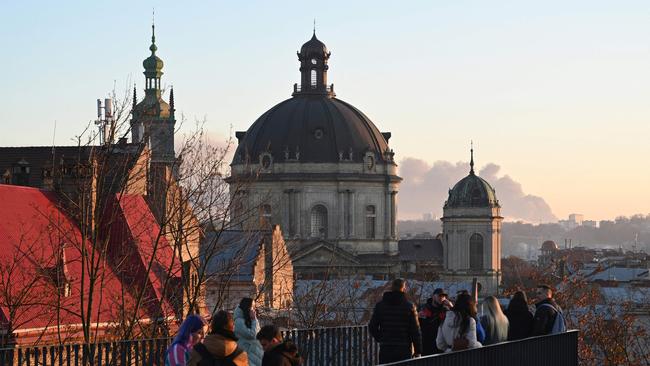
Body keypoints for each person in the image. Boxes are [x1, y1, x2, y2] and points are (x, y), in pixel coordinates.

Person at [368, 278, 422, 363]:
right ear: (404, 288)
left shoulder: (380, 306)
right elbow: (415, 331)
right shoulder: (410, 307)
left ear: (391, 288)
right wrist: (418, 351)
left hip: (386, 347)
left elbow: (372, 326)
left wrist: (381, 338)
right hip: (404, 348)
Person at [419, 288, 453, 355]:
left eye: (443, 296)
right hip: (426, 345)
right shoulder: (424, 308)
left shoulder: (446, 310)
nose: (442, 298)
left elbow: (456, 320)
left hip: (441, 346)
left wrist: (451, 306)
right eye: (439, 296)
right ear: (433, 296)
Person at [234, 298, 264, 366]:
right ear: (247, 307)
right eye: (252, 307)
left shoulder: (250, 320)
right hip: (248, 356)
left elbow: (258, 334)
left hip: (256, 354)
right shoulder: (239, 321)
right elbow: (252, 335)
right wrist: (254, 320)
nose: (254, 309)